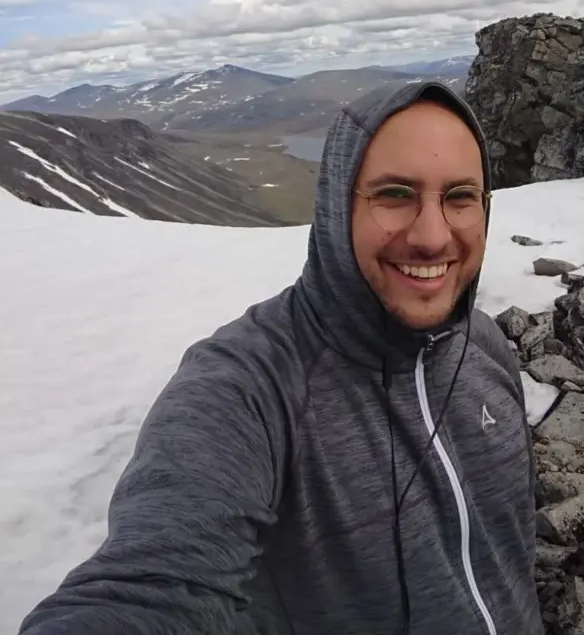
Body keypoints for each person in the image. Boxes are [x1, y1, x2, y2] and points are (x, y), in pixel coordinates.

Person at [20, 81, 542, 635]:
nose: (433, 236)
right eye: (394, 194)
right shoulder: (247, 386)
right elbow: (151, 585)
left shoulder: (484, 347)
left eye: (460, 196)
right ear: (337, 205)